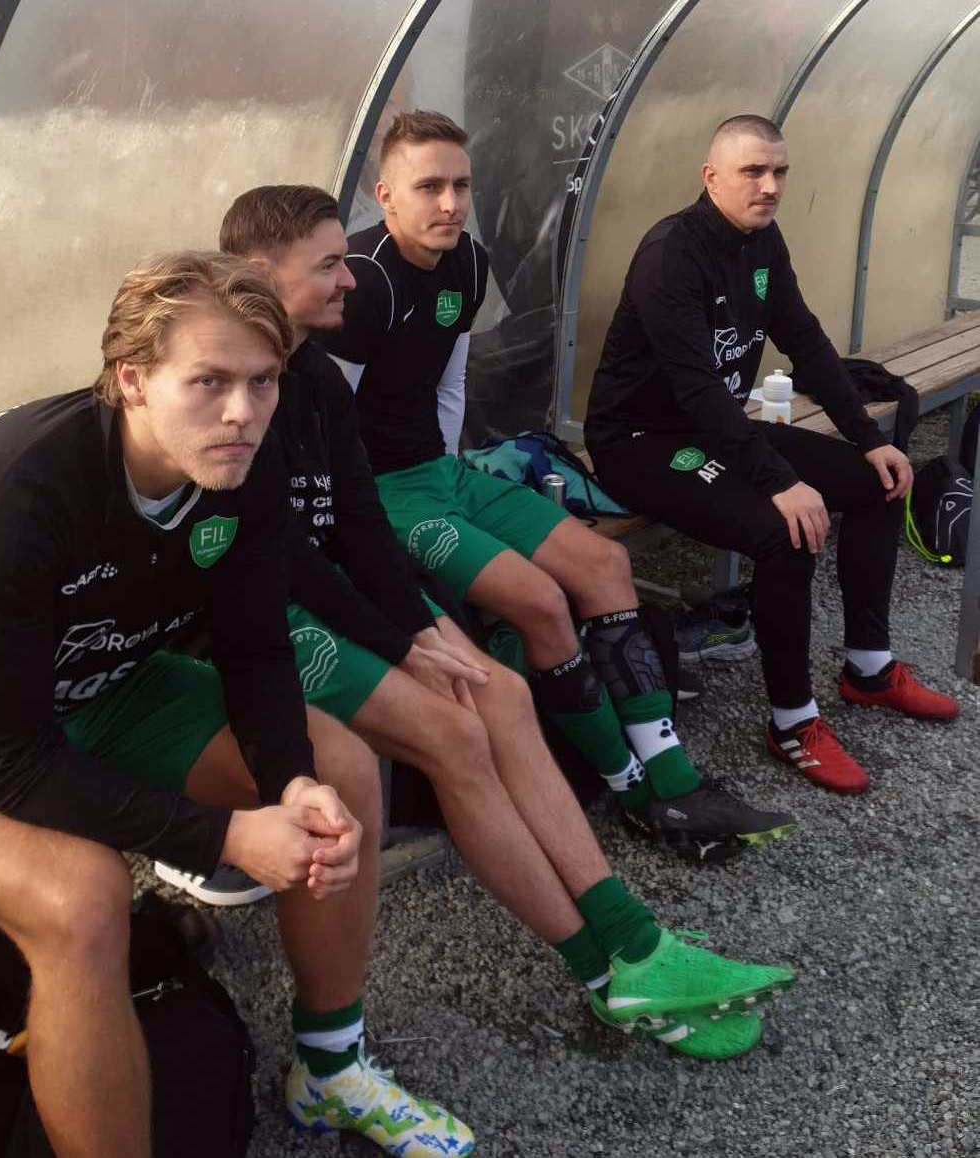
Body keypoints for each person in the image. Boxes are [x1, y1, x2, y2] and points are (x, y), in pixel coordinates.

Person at [214, 184, 798, 1097]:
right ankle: (607, 975)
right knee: (457, 731)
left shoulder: (314, 374)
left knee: (505, 692)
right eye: (328, 264)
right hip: (268, 617)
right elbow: (278, 560)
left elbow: (358, 522)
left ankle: (638, 939)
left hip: (340, 585)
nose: (348, 280)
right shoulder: (232, 391)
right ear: (256, 275)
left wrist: (417, 622)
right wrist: (406, 638)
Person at [0, 252, 378, 1158]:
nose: (242, 413)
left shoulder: (242, 459)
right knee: (82, 898)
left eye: (263, 381)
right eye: (209, 382)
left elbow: (254, 647)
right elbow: (14, 762)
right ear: (131, 379)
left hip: (97, 687)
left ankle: (330, 1067)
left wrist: (290, 783)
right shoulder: (13, 496)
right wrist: (228, 839)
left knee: (336, 766)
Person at [316, 109, 794, 859]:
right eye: (429, 187)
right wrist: (357, 526)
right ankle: (633, 789)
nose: (449, 203)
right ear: (386, 196)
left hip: (441, 473)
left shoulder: (468, 263)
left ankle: (673, 776)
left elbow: (448, 383)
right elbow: (326, 420)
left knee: (605, 564)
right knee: (541, 600)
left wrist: (449, 467)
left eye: (461, 185)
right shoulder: (361, 280)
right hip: (378, 491)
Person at [585, 114, 958, 796]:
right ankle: (791, 722)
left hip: (716, 427)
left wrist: (869, 438)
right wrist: (778, 480)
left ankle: (867, 669)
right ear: (711, 177)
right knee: (785, 531)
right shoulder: (672, 252)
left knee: (879, 484)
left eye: (778, 171)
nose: (768, 186)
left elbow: (805, 342)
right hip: (643, 443)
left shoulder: (761, 241)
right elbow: (695, 387)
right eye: (752, 172)